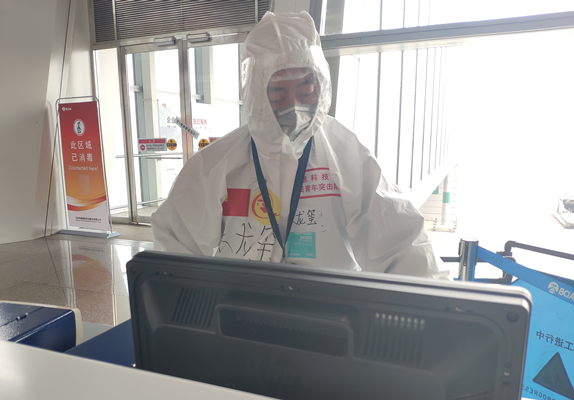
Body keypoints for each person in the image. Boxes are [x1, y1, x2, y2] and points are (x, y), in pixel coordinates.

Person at [152, 11, 448, 279]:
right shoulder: (217, 164)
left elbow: (401, 243)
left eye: (306, 90)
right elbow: (176, 245)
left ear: (321, 85)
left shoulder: (346, 154)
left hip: (327, 310)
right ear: (254, 93)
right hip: (241, 305)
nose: (293, 106)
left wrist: (435, 302)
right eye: (278, 93)